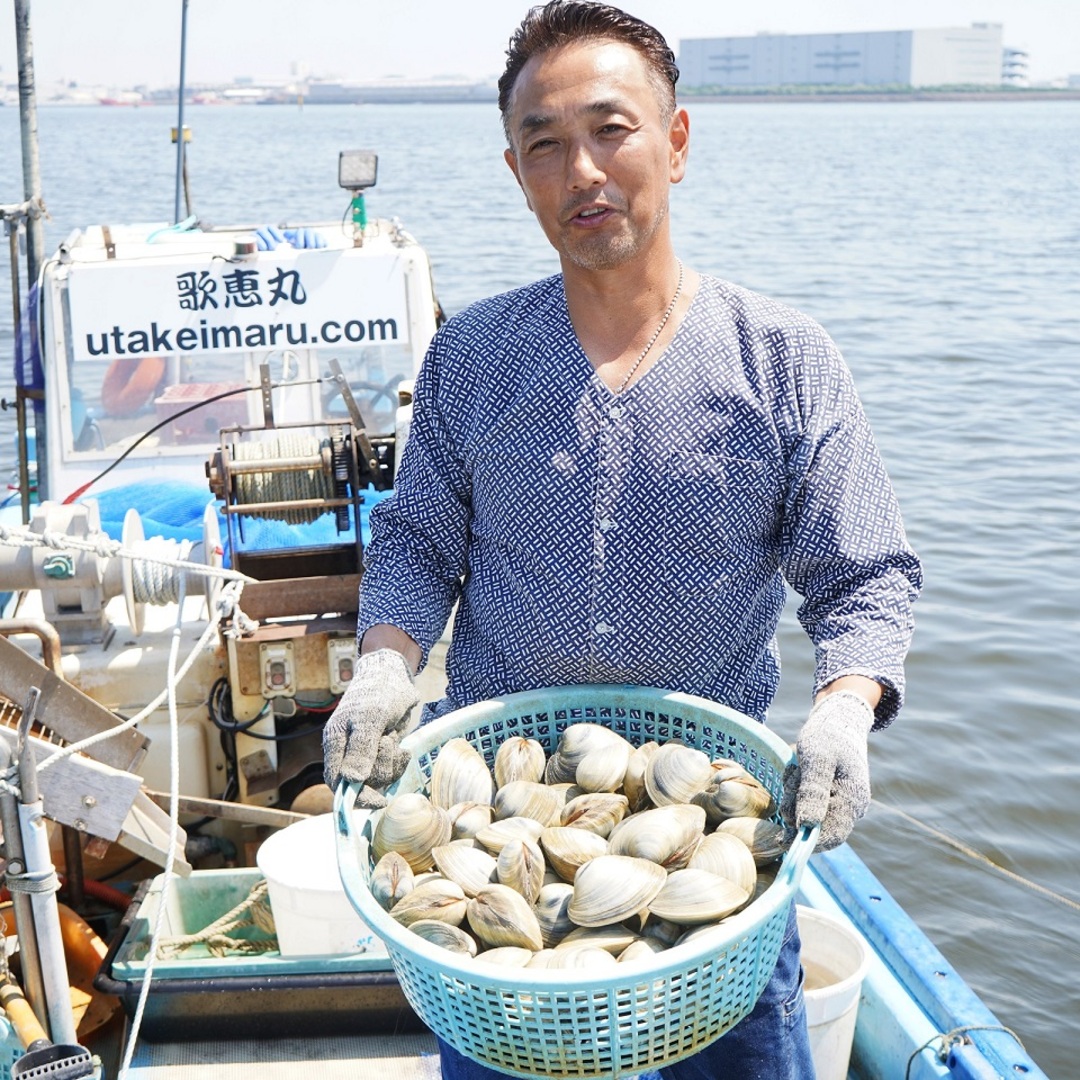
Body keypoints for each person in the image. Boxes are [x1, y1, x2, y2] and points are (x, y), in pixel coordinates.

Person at [323, 2, 922, 1076]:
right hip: (506, 844)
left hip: (710, 848)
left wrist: (844, 708)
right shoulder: (469, 359)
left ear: (677, 142)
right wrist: (382, 668)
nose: (582, 171)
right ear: (516, 173)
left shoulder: (783, 357)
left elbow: (864, 574)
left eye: (612, 129)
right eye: (545, 145)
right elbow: (415, 544)